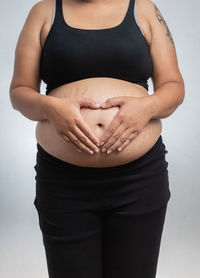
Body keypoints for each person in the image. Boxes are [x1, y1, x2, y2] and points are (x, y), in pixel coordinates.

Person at [9, 0, 185, 277]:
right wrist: (50, 108)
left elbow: (174, 87)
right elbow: (19, 92)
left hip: (138, 180)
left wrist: (147, 107)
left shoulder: (145, 10)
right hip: (63, 182)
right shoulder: (44, 12)